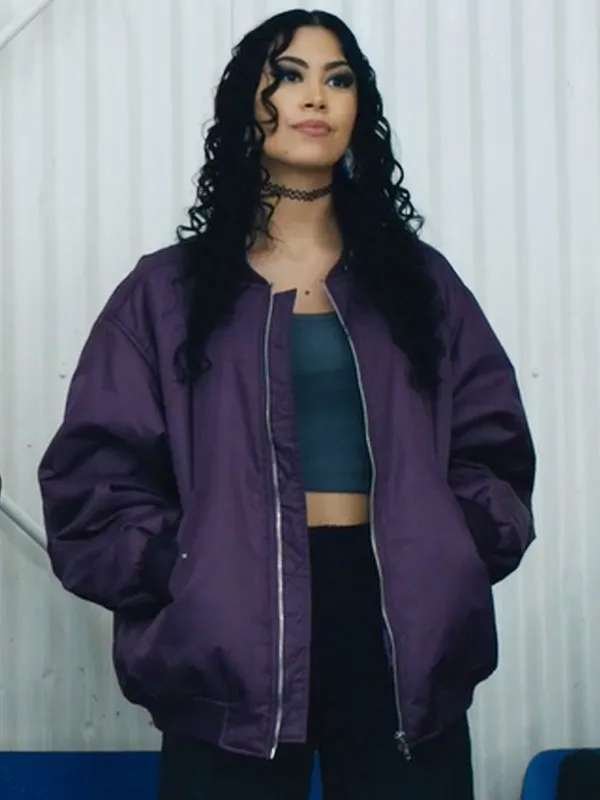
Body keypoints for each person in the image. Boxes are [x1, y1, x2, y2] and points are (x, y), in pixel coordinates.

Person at [37, 8, 537, 799]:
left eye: (338, 79)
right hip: (231, 632)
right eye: (289, 76)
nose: (316, 97)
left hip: (399, 623)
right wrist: (184, 571)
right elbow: (95, 478)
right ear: (249, 101)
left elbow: (494, 447)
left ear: (359, 108)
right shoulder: (166, 293)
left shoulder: (419, 286)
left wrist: (451, 553)